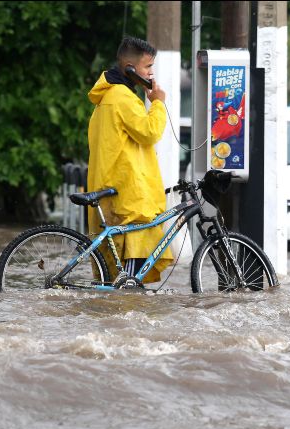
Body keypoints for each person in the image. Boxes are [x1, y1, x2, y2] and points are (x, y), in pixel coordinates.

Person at [86, 36, 172, 283]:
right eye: (148, 67)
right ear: (130, 69)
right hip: (127, 197)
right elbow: (150, 132)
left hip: (114, 189)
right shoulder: (121, 97)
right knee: (129, 286)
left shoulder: (107, 97)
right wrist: (157, 103)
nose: (152, 74)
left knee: (117, 280)